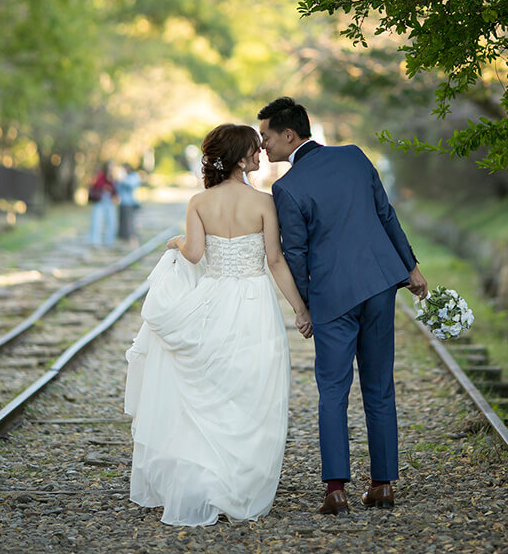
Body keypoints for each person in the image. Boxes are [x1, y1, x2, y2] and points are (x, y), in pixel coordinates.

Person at [124, 124, 312, 526]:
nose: (261, 155)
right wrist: (299, 309)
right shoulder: (264, 202)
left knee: (212, 388)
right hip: (252, 303)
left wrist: (176, 241)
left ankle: (206, 482)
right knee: (249, 391)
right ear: (241, 158)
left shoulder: (199, 202)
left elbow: (193, 254)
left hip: (211, 301)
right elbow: (276, 262)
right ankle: (237, 485)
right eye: (255, 151)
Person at [258, 97, 428, 516]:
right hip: (379, 285)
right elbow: (385, 215)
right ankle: (383, 484)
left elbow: (294, 254)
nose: (261, 146)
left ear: (288, 134)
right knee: (379, 386)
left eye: (265, 136)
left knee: (333, 391)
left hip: (332, 297)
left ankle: (336, 490)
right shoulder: (354, 156)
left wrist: (305, 306)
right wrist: (411, 267)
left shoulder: (286, 188)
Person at [88, 163, 118, 247]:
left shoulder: (113, 177)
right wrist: (103, 187)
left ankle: (109, 242)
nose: (111, 169)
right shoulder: (99, 176)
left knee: (112, 222)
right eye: (110, 167)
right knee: (96, 222)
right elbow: (93, 186)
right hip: (99, 202)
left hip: (110, 203)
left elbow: (115, 190)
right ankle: (95, 241)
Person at [116, 164, 142, 244]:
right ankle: (123, 238)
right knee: (122, 222)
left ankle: (132, 237)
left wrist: (124, 178)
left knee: (130, 222)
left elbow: (131, 185)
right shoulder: (120, 178)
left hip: (130, 203)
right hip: (122, 203)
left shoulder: (133, 176)